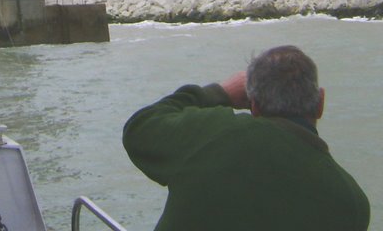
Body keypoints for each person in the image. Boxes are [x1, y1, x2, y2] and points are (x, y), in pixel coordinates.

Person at [123, 45, 369, 230]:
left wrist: (221, 93)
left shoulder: (211, 133)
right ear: (320, 103)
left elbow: (140, 128)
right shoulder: (352, 202)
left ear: (254, 106)